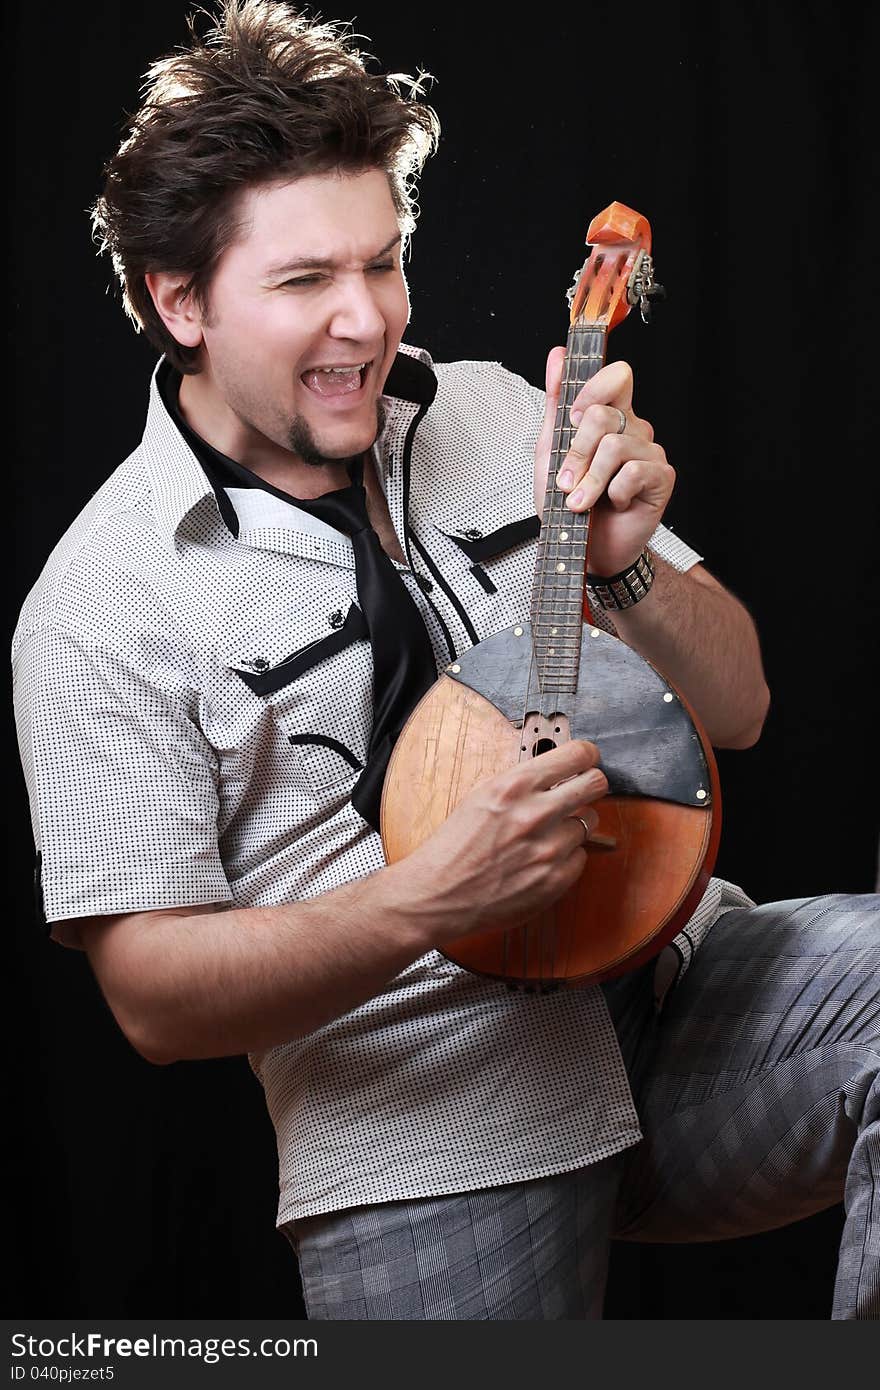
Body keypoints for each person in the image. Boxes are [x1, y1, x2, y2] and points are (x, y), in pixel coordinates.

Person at [12, 0, 878, 1320]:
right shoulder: (102, 597)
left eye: (385, 260)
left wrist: (628, 569)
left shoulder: (491, 407)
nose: (365, 320)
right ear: (177, 299)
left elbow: (743, 705)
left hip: (683, 992)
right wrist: (430, 900)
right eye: (305, 282)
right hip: (428, 1122)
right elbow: (152, 996)